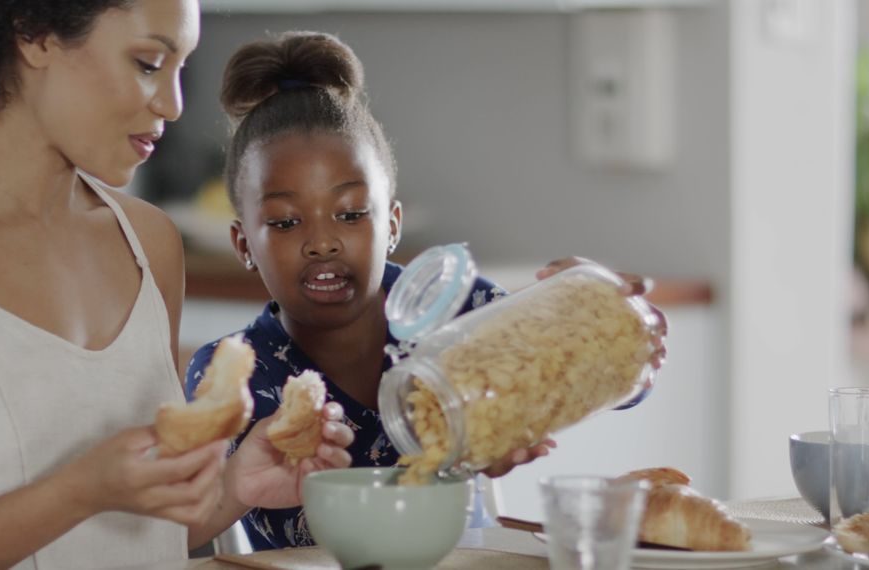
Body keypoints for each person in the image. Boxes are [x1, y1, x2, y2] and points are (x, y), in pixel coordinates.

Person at [0, 2, 355, 569]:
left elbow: (137, 527)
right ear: (36, 34)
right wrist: (78, 491)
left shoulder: (149, 245)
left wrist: (236, 484)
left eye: (180, 70)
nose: (173, 103)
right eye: (148, 62)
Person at [185, 30, 664, 551]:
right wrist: (231, 487)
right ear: (242, 243)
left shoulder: (456, 312)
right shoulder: (232, 375)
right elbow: (173, 531)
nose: (321, 242)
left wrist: (603, 319)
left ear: (392, 225)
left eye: (350, 214)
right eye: (284, 223)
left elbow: (608, 380)